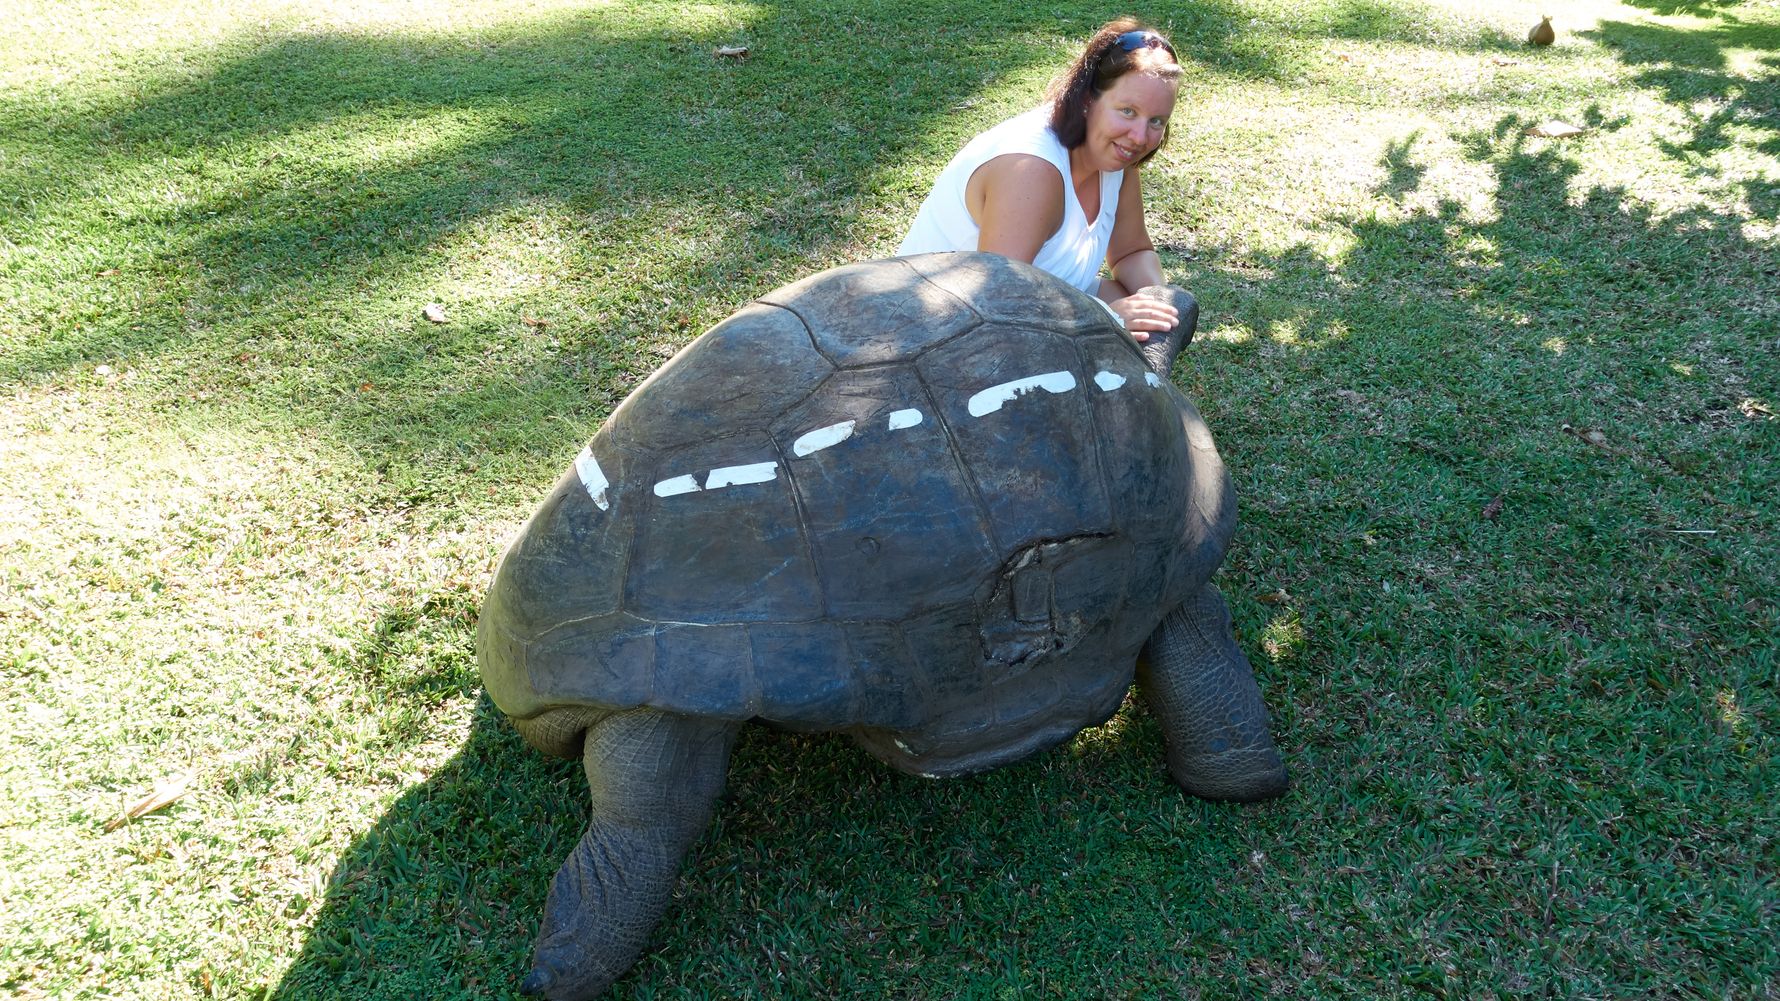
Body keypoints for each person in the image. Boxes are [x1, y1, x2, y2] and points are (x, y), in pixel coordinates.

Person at [899, 19, 1186, 342]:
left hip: (1031, 306)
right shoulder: (1031, 170)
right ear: (1088, 99)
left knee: (1139, 308)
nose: (1139, 137)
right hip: (933, 332)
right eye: (1128, 111)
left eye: (1156, 121)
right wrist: (1108, 317)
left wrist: (1160, 302)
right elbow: (1000, 304)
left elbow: (1130, 252)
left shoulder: (1118, 154)